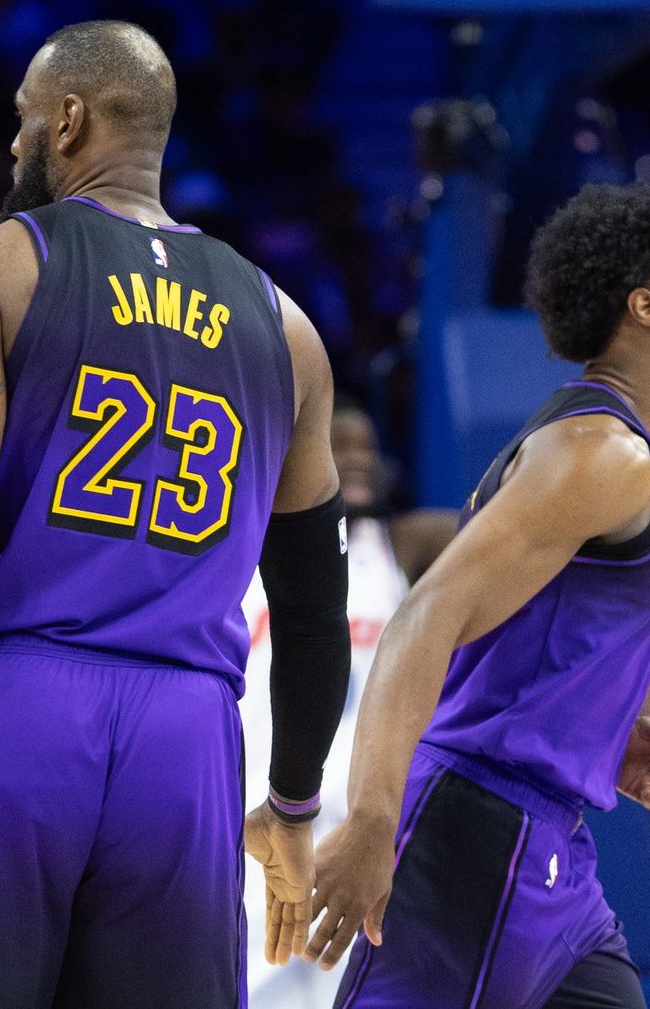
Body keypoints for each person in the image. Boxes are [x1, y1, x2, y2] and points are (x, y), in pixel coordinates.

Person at [0, 20, 348, 1007]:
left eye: (21, 116)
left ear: (66, 118)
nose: (14, 142)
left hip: (15, 711)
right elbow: (315, 601)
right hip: (188, 742)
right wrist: (295, 801)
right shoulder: (289, 328)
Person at [307, 182, 650, 1007]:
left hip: (549, 842)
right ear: (648, 309)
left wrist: (592, 723)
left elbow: (522, 633)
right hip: (481, 832)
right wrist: (369, 821)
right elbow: (422, 618)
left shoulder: (616, 450)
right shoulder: (600, 454)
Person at [240, 403, 455, 1007]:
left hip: (367, 830)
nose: (357, 460)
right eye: (339, 446)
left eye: (366, 447)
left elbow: (512, 536)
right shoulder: (240, 542)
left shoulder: (404, 545)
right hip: (258, 825)